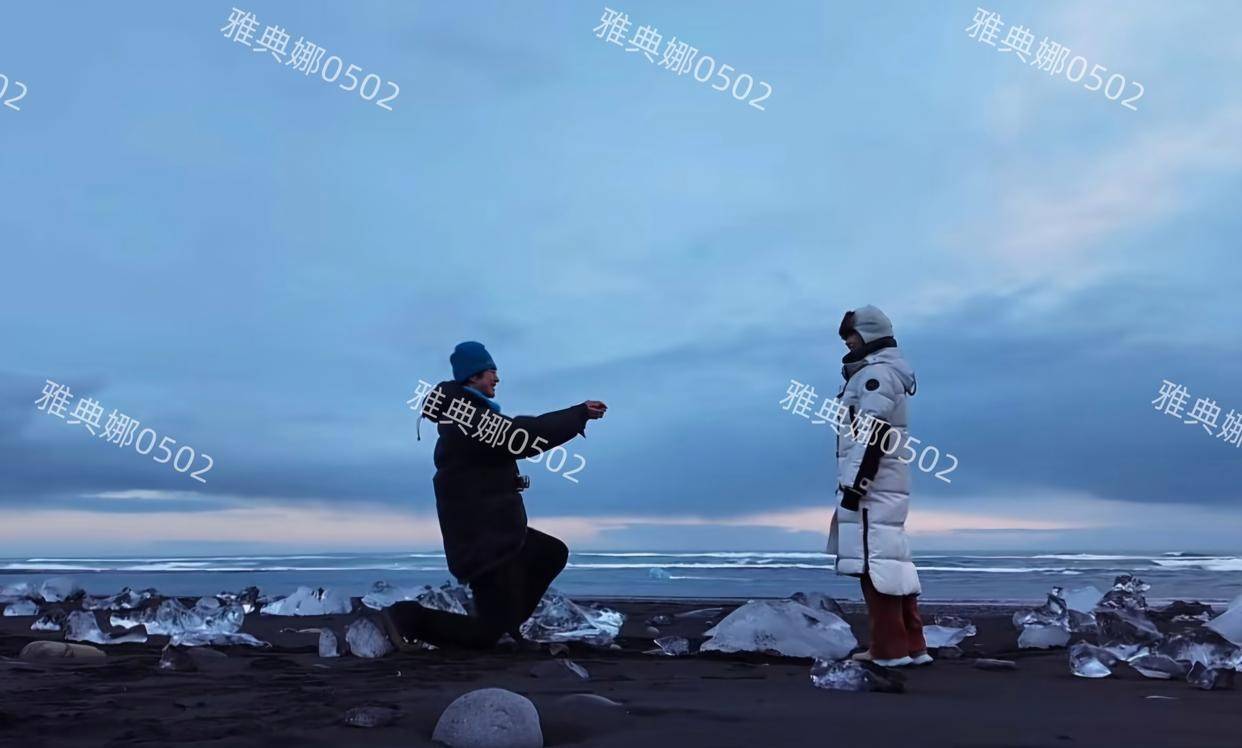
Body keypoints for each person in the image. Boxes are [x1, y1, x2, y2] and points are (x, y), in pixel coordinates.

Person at [382, 341, 607, 650]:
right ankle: (406, 618)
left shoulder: (467, 416)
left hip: (498, 531)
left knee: (549, 552)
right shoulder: (466, 421)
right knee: (484, 635)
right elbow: (523, 436)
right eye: (491, 371)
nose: (497, 378)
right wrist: (578, 414)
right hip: (483, 542)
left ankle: (507, 624)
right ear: (473, 376)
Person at [826, 306, 930, 667]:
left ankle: (888, 650)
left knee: (875, 565)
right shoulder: (880, 372)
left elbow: (874, 433)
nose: (847, 342)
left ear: (869, 334)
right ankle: (913, 645)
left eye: (851, 335)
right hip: (886, 483)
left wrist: (856, 485)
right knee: (892, 559)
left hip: (873, 485)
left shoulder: (874, 375)